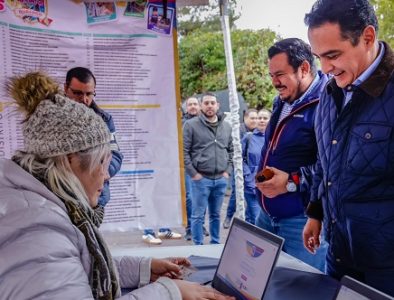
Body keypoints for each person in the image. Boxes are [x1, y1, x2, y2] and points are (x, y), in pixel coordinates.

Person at [0, 71, 234, 300]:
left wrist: (143, 269)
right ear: (70, 160)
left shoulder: (37, 208)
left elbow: (79, 267)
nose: (105, 175)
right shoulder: (40, 233)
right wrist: (170, 292)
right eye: (102, 162)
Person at [303, 0, 394, 296]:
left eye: (332, 55)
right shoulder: (330, 92)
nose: (325, 69)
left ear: (367, 37)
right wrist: (315, 212)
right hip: (339, 256)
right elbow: (324, 160)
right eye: (318, 57)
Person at [255, 38, 328, 272]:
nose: (275, 82)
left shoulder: (328, 103)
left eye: (280, 74)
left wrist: (290, 183)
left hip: (302, 222)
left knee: (308, 290)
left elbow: (332, 166)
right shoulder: (283, 99)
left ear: (304, 68)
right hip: (266, 217)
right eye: (271, 76)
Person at [64, 67, 123, 226]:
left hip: (96, 199)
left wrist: (103, 173)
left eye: (89, 94)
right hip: (64, 196)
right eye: (77, 93)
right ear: (65, 89)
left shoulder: (105, 119)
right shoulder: (52, 117)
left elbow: (116, 154)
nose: (84, 99)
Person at [183, 92, 233, 245]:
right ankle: (198, 246)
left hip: (220, 179)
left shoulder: (226, 126)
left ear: (218, 105)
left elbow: (231, 150)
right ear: (201, 106)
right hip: (201, 179)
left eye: (212, 103)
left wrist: (227, 172)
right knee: (197, 215)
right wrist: (194, 173)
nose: (210, 106)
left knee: (216, 215)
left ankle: (215, 243)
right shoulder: (191, 125)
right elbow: (184, 151)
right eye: (206, 103)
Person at [223, 108, 258, 229]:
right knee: (236, 194)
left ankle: (248, 222)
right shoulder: (238, 131)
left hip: (253, 172)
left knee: (251, 200)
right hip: (238, 168)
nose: (255, 120)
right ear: (245, 118)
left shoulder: (259, 132)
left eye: (256, 118)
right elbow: (235, 152)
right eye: (252, 118)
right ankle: (228, 216)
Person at [182, 96, 209, 241]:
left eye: (195, 104)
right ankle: (189, 228)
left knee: (202, 196)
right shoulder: (182, 123)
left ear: (199, 106)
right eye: (190, 104)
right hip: (188, 167)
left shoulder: (206, 123)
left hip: (204, 166)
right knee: (190, 198)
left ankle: (200, 225)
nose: (192, 106)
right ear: (186, 108)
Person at [241, 108, 271, 225]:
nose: (261, 120)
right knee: (257, 217)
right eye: (259, 118)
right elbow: (240, 159)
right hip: (251, 184)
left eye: (265, 118)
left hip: (269, 184)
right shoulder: (248, 137)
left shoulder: (273, 139)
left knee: (252, 217)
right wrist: (248, 176)